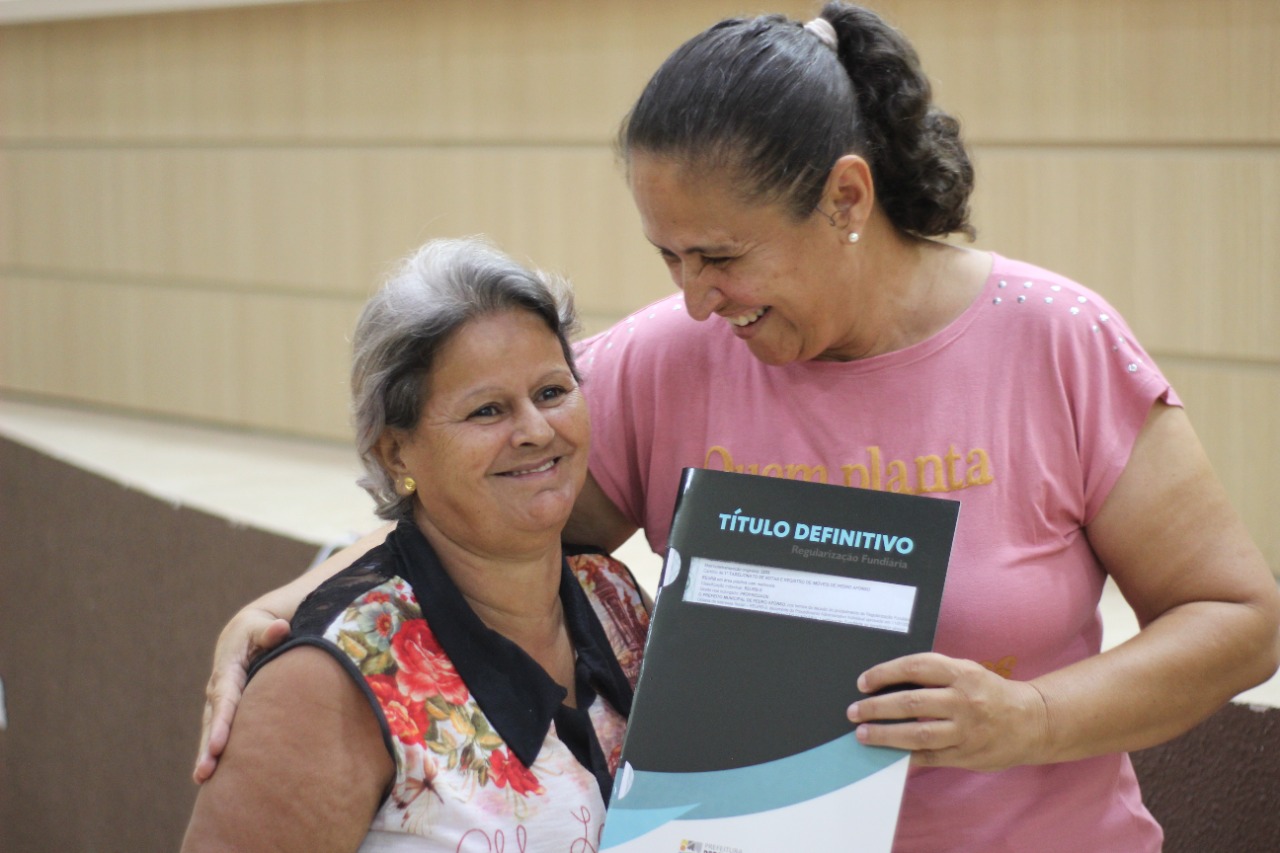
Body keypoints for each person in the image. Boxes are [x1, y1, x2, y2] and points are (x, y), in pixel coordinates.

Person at [193, 4, 1280, 851]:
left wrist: (1029, 717)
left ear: (846, 198)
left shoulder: (1054, 341)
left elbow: (1237, 616)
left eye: (721, 256)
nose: (696, 297)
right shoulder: (669, 356)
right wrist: (296, 604)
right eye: (669, 257)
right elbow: (483, 511)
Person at [181, 237, 650, 851]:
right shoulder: (325, 684)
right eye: (487, 411)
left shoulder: (612, 596)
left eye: (552, 392)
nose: (537, 431)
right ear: (396, 452)